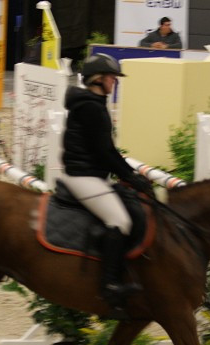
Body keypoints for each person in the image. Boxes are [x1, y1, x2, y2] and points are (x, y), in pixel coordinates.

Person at [61, 54, 153, 311]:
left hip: (91, 174)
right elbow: (105, 152)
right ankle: (109, 285)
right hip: (83, 177)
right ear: (99, 79)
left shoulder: (94, 102)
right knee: (120, 221)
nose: (115, 83)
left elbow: (108, 152)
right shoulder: (92, 106)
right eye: (113, 78)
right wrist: (130, 176)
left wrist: (129, 175)